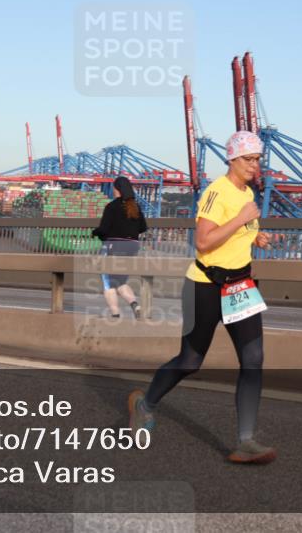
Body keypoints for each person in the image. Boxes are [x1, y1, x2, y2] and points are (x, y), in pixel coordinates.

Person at [128, 130, 277, 464]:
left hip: (240, 287)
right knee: (190, 361)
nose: (255, 166)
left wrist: (257, 237)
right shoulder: (216, 191)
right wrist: (242, 219)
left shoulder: (247, 193)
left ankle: (245, 441)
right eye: (249, 160)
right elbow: (204, 242)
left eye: (258, 160)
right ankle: (145, 403)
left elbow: (237, 234)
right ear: (233, 160)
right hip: (205, 286)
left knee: (253, 359)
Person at [92, 176, 148, 319]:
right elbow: (142, 228)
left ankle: (115, 314)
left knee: (108, 283)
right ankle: (135, 304)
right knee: (121, 281)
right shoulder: (136, 207)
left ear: (116, 189)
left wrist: (95, 232)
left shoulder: (111, 206)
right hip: (132, 247)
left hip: (114, 246)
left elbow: (104, 229)